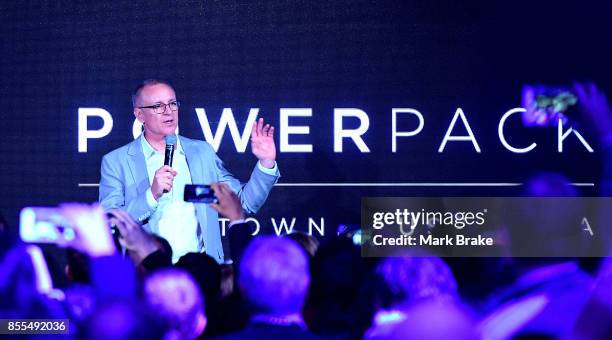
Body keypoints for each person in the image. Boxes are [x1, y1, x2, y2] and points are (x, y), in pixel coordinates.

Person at [99, 79, 279, 263]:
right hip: (148, 272)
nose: (168, 111)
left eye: (172, 103)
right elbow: (110, 224)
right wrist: (151, 196)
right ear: (139, 114)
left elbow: (242, 203)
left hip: (202, 272)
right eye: (158, 106)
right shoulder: (116, 162)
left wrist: (266, 163)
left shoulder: (201, 153)